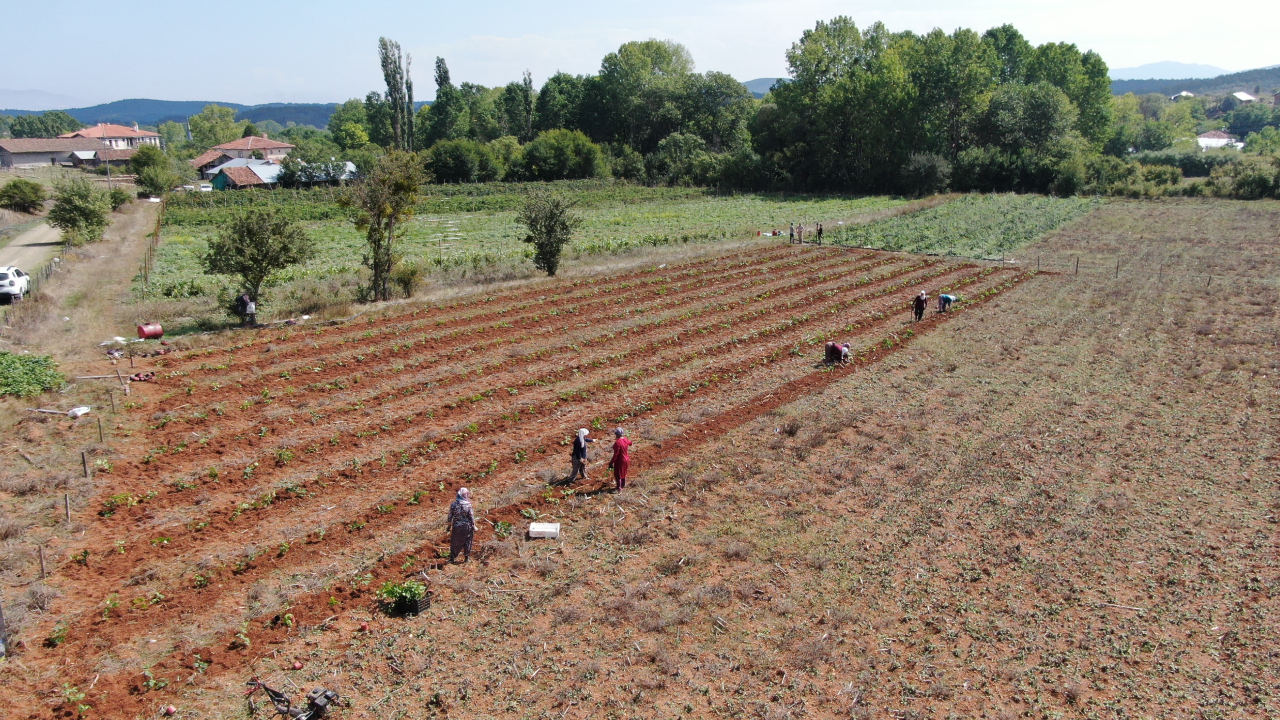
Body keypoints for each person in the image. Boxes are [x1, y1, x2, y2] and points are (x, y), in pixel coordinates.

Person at [447, 487, 475, 563]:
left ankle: (452, 558)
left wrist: (449, 526)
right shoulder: (468, 505)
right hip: (467, 527)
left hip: (457, 527)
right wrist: (474, 526)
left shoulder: (454, 504)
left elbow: (450, 517)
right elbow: (471, 516)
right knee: (467, 541)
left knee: (455, 542)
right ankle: (466, 558)